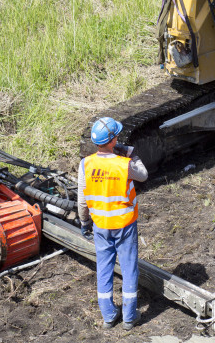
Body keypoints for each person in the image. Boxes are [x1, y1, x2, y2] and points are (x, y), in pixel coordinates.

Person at [77, 117, 148, 330]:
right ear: (114, 140)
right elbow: (143, 175)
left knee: (104, 267)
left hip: (100, 226)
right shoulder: (124, 165)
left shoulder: (86, 164)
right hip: (124, 225)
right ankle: (129, 316)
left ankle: (108, 315)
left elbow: (82, 198)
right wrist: (132, 154)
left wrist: (84, 221)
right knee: (128, 268)